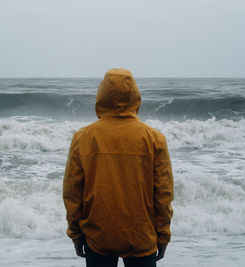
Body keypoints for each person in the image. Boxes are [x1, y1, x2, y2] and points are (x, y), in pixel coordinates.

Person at [63, 68, 174, 267]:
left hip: (98, 236)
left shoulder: (83, 137)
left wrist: (75, 233)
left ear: (102, 95)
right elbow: (163, 193)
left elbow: (72, 191)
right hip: (142, 236)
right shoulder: (154, 139)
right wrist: (163, 234)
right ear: (134, 95)